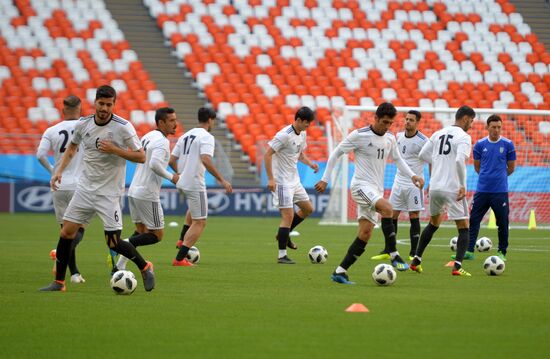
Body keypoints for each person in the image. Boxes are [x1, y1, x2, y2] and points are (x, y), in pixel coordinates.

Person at [39, 85, 155, 291]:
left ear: (114, 105)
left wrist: (115, 150)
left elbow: (141, 156)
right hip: (84, 190)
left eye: (109, 104)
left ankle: (145, 267)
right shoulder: (83, 124)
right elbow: (73, 147)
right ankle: (59, 282)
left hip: (108, 194)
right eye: (101, 104)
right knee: (66, 233)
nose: (104, 108)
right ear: (95, 103)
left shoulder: (123, 127)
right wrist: (59, 171)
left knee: (113, 242)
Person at [315, 102, 424, 284]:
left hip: (375, 190)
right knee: (388, 208)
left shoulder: (390, 138)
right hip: (360, 187)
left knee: (365, 233)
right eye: (384, 122)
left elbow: (398, 160)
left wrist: (413, 176)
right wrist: (325, 179)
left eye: (390, 123)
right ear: (375, 118)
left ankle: (340, 272)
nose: (387, 126)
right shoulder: (359, 135)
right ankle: (394, 253)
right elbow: (336, 153)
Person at [410, 105, 475, 276]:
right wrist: (462, 185)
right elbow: (460, 161)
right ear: (466, 118)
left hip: (435, 186)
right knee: (463, 226)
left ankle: (416, 260)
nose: (471, 125)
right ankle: (457, 267)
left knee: (433, 222)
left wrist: (439, 162)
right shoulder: (464, 136)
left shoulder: (438, 133)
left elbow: (422, 155)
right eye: (471, 121)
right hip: (452, 187)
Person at [114, 107, 180, 271]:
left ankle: (119, 266)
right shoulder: (162, 141)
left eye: (175, 120)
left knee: (141, 231)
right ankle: (122, 244)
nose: (175, 124)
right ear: (161, 122)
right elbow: (154, 164)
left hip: (134, 189)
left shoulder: (149, 136)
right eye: (171, 121)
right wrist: (173, 177)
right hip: (147, 193)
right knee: (156, 235)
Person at [171, 107, 232, 266]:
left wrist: (179, 174)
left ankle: (181, 240)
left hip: (183, 182)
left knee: (193, 210)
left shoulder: (185, 135)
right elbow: (205, 159)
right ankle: (179, 258)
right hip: (194, 183)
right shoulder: (206, 137)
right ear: (210, 120)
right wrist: (222, 180)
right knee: (200, 222)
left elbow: (171, 160)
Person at [36, 95, 86, 284]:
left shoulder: (52, 130)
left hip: (59, 185)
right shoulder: (86, 127)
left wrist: (54, 171)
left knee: (65, 231)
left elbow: (40, 155)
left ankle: (74, 274)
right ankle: (60, 253)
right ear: (80, 109)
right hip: (80, 186)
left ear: (62, 110)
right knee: (78, 230)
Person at [264, 106, 319, 264]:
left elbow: (299, 154)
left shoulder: (302, 133)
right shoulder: (283, 135)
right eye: (306, 124)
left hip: (294, 180)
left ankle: (285, 234)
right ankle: (282, 255)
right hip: (282, 182)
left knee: (308, 209)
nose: (308, 127)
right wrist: (270, 179)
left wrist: (310, 164)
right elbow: (267, 155)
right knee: (287, 216)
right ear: (299, 120)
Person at [371, 110, 428, 261]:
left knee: (414, 215)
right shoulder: (398, 136)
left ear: (417, 123)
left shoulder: (424, 141)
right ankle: (389, 249)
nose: (407, 122)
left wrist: (430, 180)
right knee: (390, 214)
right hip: (398, 181)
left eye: (411, 120)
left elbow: (432, 160)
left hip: (414, 184)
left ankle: (413, 252)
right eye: (406, 119)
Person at [460, 115, 516, 262]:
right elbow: (478, 167)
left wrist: (499, 177)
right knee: (474, 220)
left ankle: (502, 252)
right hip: (482, 190)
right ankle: (470, 250)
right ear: (487, 127)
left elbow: (511, 168)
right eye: (493, 127)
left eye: (499, 127)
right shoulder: (479, 145)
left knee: (502, 223)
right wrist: (488, 176)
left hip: (500, 191)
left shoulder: (508, 145)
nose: (496, 130)